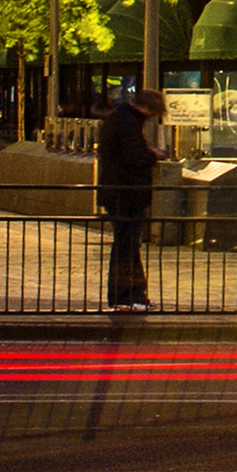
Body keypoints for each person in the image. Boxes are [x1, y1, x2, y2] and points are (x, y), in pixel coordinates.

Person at [96, 87, 154, 317]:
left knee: (129, 245)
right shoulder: (128, 123)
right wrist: (153, 155)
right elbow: (134, 157)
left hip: (118, 193)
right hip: (126, 193)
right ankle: (123, 296)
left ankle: (134, 295)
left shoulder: (119, 118)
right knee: (126, 246)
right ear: (146, 108)